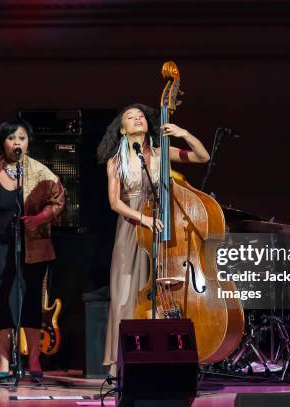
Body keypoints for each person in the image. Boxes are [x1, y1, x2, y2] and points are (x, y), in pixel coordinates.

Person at [96, 103, 210, 375]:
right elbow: (114, 202)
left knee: (158, 293)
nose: (137, 119)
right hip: (131, 227)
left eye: (140, 116)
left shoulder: (161, 154)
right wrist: (143, 219)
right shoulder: (116, 161)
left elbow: (201, 157)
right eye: (130, 118)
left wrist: (183, 132)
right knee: (125, 292)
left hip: (162, 226)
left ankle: (159, 355)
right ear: (122, 130)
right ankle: (118, 362)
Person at [0, 119, 65, 379]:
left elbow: (58, 201)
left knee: (30, 298)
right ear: (2, 142)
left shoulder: (41, 172)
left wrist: (40, 218)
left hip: (33, 244)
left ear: (28, 142)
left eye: (22, 138)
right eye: (11, 138)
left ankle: (34, 360)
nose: (17, 143)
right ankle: (4, 360)